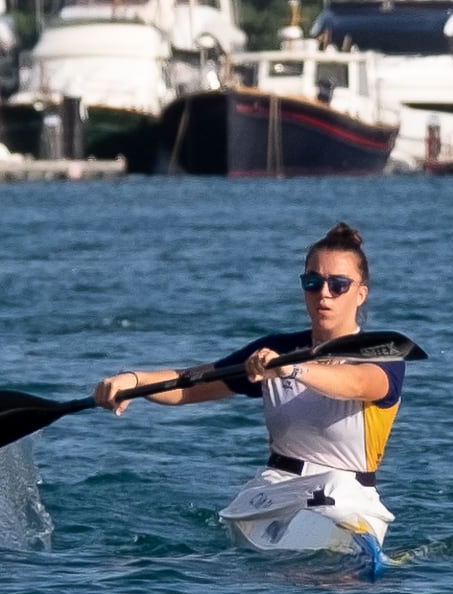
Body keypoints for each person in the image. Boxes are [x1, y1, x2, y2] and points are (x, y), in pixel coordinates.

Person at [90, 221, 405, 565]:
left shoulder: (382, 353)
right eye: (312, 283)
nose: (324, 294)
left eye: (338, 284)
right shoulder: (273, 350)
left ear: (361, 293)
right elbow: (191, 384)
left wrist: (291, 369)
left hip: (349, 497)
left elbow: (361, 384)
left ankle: (348, 556)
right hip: (275, 491)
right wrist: (133, 382)